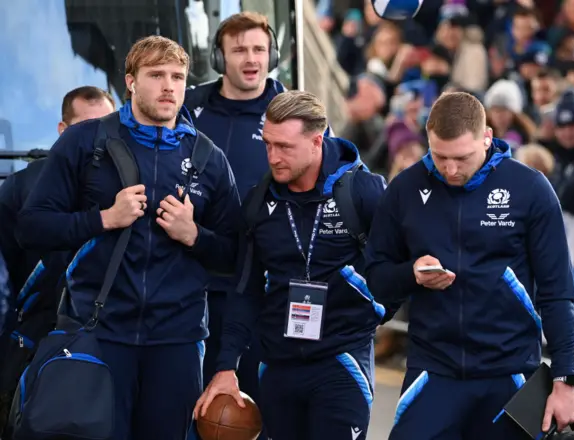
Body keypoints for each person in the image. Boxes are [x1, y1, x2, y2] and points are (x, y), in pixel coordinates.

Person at [16, 35, 242, 440]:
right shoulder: (86, 143)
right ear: (131, 81)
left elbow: (236, 257)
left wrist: (195, 236)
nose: (169, 86)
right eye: (156, 75)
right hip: (98, 333)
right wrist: (103, 218)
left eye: (177, 76)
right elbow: (32, 226)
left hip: (178, 341)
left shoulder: (209, 159)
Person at [364, 92, 574, 439]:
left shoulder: (530, 189)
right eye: (439, 156)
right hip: (433, 371)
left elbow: (558, 292)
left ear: (487, 138)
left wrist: (565, 380)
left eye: (462, 158)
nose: (450, 169)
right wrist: (411, 274)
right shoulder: (405, 188)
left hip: (510, 374)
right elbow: (374, 278)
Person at [194, 90, 388, 440]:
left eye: (284, 147)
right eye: (268, 144)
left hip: (341, 362)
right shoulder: (258, 202)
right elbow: (245, 289)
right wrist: (226, 367)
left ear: (316, 142)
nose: (273, 156)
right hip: (277, 364)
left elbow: (399, 267)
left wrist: (374, 308)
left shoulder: (364, 192)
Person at [183, 11, 288, 416]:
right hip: (192, 283)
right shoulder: (189, 108)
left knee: (252, 413)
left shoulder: (290, 111)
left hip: (260, 288)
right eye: (239, 49)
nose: (251, 58)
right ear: (219, 57)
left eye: (259, 49)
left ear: (272, 56)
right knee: (193, 409)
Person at [0, 86, 115, 298]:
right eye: (86, 128)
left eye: (107, 128)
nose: (99, 139)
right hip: (38, 324)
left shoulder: (133, 187)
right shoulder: (20, 187)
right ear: (63, 130)